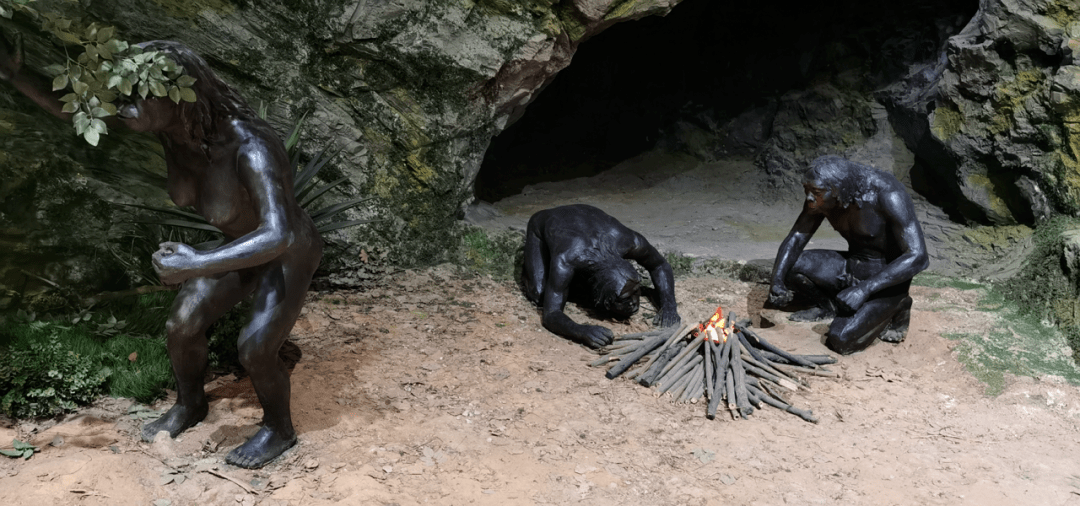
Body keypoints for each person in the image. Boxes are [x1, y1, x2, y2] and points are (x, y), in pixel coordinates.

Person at [0, 33, 322, 468]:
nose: (125, 105)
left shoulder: (251, 145)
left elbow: (278, 234)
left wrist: (197, 264)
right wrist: (17, 74)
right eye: (123, 94)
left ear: (178, 94)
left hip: (287, 252)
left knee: (256, 348)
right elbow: (81, 113)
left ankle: (278, 430)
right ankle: (190, 405)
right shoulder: (169, 128)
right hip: (238, 247)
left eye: (137, 96)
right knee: (182, 325)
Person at [768, 155, 929, 355]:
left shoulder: (887, 194)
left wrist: (864, 289)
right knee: (787, 266)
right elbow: (797, 237)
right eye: (806, 189)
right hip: (850, 266)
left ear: (839, 189)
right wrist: (776, 280)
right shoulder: (822, 196)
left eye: (816, 192)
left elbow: (919, 256)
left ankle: (899, 304)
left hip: (884, 280)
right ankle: (827, 306)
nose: (809, 197)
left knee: (840, 340)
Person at [522, 204, 680, 348]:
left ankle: (611, 292)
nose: (634, 304)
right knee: (539, 294)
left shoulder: (630, 241)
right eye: (625, 298)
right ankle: (592, 293)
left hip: (589, 218)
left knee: (564, 286)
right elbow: (551, 315)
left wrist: (669, 306)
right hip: (545, 222)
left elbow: (660, 265)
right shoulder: (568, 259)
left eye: (636, 292)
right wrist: (581, 331)